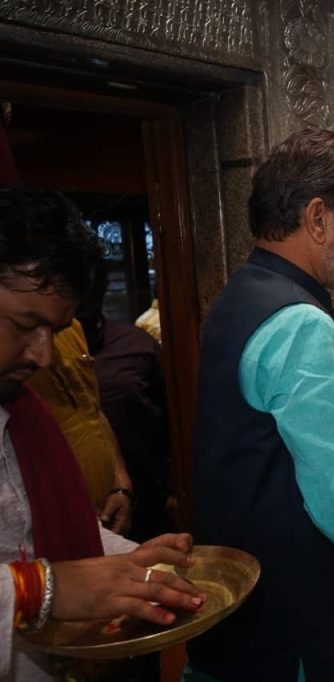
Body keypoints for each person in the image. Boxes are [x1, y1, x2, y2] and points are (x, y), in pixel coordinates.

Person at [187, 129, 334, 682]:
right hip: (309, 640)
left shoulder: (238, 299)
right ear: (318, 218)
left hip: (252, 635)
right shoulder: (301, 324)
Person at [0, 186, 204, 680]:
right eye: (25, 325)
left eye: (55, 331)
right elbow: (49, 576)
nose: (43, 356)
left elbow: (30, 532)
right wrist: (40, 589)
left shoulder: (19, 409)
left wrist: (127, 560)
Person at [78, 262, 176, 543]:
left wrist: (173, 489)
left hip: (147, 498)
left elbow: (170, 420)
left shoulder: (136, 344)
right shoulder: (39, 358)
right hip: (81, 508)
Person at [27, 319, 135, 535]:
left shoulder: (70, 326)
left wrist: (121, 488)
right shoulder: (13, 344)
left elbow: (93, 411)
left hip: (103, 514)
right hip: (51, 522)